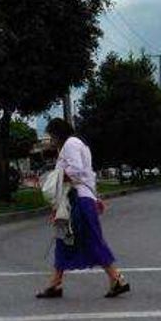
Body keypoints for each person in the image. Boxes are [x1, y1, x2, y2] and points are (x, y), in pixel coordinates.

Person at [37, 118, 130, 299]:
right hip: (79, 198)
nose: (51, 140)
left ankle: (116, 278)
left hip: (78, 200)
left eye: (51, 135)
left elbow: (76, 170)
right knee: (64, 239)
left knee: (90, 239)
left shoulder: (70, 144)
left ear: (58, 133)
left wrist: (56, 179)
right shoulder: (77, 145)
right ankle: (55, 283)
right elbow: (87, 174)